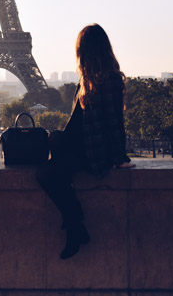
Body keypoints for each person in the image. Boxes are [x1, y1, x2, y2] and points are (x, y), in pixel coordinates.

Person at [38, 23, 134, 259]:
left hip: (91, 151)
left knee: (47, 174)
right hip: (79, 147)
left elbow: (114, 121)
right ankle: (75, 225)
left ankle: (75, 224)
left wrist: (119, 157)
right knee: (50, 163)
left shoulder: (108, 80)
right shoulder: (86, 81)